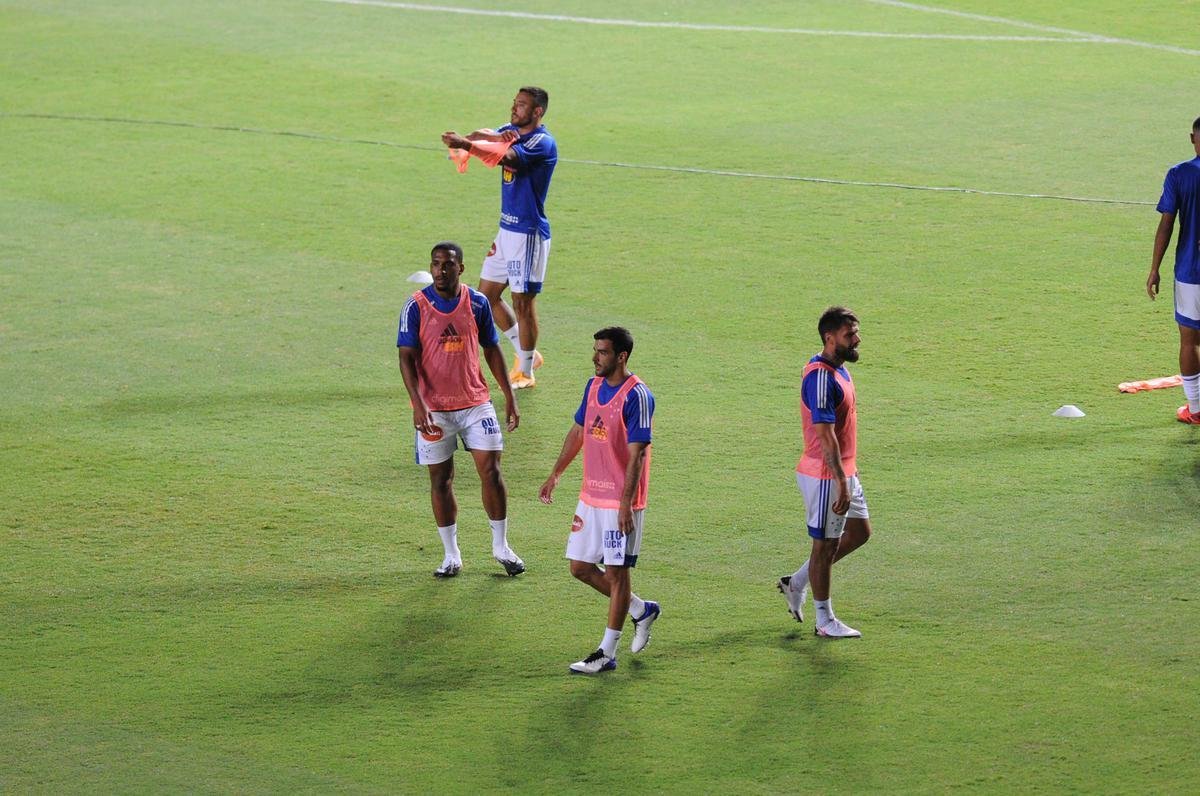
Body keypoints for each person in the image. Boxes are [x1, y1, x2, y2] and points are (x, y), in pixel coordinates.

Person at [397, 241, 525, 578]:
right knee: (441, 480)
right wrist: (417, 404)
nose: (440, 270)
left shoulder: (478, 302)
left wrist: (509, 395)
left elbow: (492, 349)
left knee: (492, 471)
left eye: (447, 264)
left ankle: (501, 546)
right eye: (435, 264)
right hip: (434, 410)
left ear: (460, 268)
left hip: (475, 404)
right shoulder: (415, 306)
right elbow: (406, 358)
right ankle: (451, 555)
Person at [539, 327, 660, 674]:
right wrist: (556, 473)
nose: (595, 357)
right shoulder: (592, 387)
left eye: (602, 352)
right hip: (590, 497)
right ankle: (641, 610)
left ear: (621, 357)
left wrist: (625, 505)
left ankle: (607, 652)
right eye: (595, 350)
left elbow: (637, 455)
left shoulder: (638, 396)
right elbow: (579, 431)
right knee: (579, 567)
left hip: (619, 503)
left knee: (618, 574)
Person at [441, 86, 557, 390]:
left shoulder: (542, 143)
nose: (514, 108)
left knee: (522, 302)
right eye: (514, 103)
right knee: (486, 297)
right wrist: (471, 140)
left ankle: (526, 371)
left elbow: (509, 158)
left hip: (527, 234)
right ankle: (528, 354)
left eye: (521, 105)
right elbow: (487, 136)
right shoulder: (511, 131)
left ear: (537, 112)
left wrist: (468, 144)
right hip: (506, 231)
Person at [778, 307, 872, 639]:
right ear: (830, 338)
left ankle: (796, 582)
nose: (857, 339)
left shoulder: (837, 368)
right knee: (825, 546)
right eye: (850, 335)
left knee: (859, 533)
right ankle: (824, 620)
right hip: (826, 476)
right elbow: (825, 435)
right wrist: (840, 483)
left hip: (844, 471)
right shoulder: (821, 379)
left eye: (856, 332)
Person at [1147, 116, 1200, 425]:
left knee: (1190, 341)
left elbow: (1166, 225)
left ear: (1192, 138)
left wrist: (1155, 268)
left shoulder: (1178, 174)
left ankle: (1195, 409)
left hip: (1191, 273)